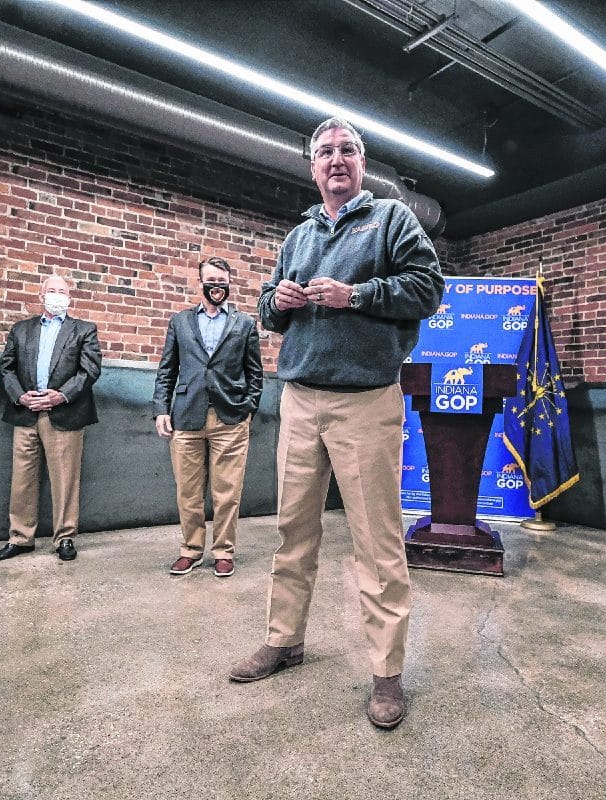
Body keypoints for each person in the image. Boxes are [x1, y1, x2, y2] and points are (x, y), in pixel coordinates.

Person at [228, 117, 444, 729]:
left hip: (364, 400)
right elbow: (268, 307)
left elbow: (428, 288)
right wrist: (280, 302)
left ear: (362, 161)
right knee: (292, 531)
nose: (336, 160)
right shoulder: (298, 236)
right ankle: (284, 640)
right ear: (312, 167)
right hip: (299, 397)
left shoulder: (392, 219)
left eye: (347, 150)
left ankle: (386, 673)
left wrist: (357, 296)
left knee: (377, 542)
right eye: (324, 152)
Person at [153, 256, 263, 578]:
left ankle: (224, 551)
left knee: (227, 493)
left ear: (229, 283)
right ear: (199, 283)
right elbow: (166, 370)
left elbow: (255, 373)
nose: (218, 285)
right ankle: (190, 550)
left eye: (223, 280)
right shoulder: (180, 322)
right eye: (211, 279)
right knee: (188, 492)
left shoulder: (244, 324)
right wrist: (161, 408)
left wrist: (249, 408)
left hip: (230, 419)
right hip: (186, 417)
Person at [0, 275, 101, 563]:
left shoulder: (84, 330)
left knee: (65, 479)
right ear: (40, 297)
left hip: (64, 413)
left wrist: (60, 395)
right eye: (51, 291)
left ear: (70, 298)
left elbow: (89, 371)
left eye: (62, 291)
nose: (56, 295)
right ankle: (20, 537)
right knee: (22, 479)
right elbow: (7, 368)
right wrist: (20, 396)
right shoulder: (21, 329)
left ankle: (64, 537)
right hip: (25, 412)